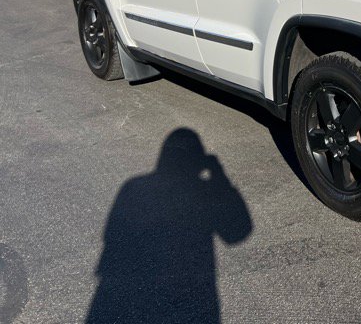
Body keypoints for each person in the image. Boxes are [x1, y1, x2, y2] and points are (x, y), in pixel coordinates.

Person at [86, 128, 252, 323]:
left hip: (128, 291)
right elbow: (236, 234)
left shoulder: (133, 186)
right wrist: (218, 174)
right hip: (195, 291)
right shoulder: (203, 190)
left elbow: (113, 238)